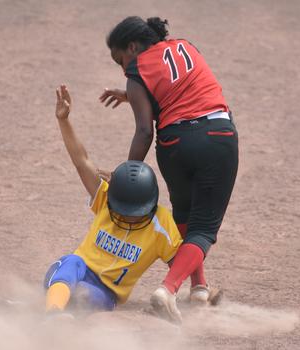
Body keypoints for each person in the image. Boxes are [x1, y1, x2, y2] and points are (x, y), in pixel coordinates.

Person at [100, 16, 239, 321]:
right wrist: (133, 93)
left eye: (120, 59)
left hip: (174, 145)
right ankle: (167, 290)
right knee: (203, 229)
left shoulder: (136, 73)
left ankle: (199, 289)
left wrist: (127, 175)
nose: (122, 68)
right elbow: (179, 84)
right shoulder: (186, 46)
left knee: (185, 214)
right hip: (216, 136)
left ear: (133, 47)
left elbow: (145, 131)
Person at [44, 84, 183, 321]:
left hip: (104, 292)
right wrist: (64, 120)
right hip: (76, 270)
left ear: (150, 207)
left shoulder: (161, 225)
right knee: (71, 262)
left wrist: (200, 289)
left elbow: (182, 263)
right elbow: (81, 161)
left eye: (135, 213)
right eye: (122, 210)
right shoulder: (107, 199)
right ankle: (52, 316)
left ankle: (44, 312)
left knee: (83, 297)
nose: (127, 217)